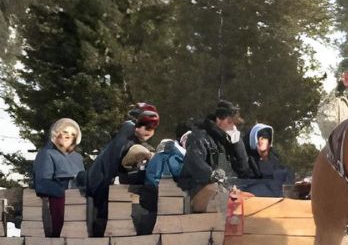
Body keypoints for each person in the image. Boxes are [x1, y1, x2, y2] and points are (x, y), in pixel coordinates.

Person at [86, 103, 159, 236]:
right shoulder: (128, 133)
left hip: (107, 180)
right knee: (105, 213)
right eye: (145, 126)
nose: (149, 131)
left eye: (152, 127)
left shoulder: (133, 137)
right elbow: (116, 161)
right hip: (104, 181)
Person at [177, 99, 250, 213]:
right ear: (219, 120)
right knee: (217, 191)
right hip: (196, 192)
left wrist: (237, 144)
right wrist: (212, 175)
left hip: (227, 189)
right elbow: (195, 162)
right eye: (230, 122)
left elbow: (243, 170)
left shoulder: (230, 141)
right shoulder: (200, 137)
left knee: (249, 198)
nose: (233, 127)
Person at [32, 118, 84, 237]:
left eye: (72, 134)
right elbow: (42, 184)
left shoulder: (78, 157)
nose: (68, 136)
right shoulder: (46, 153)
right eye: (65, 132)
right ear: (56, 133)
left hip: (79, 198)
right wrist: (67, 189)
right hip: (60, 198)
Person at [239, 123, 295, 197]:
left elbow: (287, 184)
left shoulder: (277, 162)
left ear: (269, 140)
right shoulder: (247, 163)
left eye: (265, 137)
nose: (261, 140)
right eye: (259, 136)